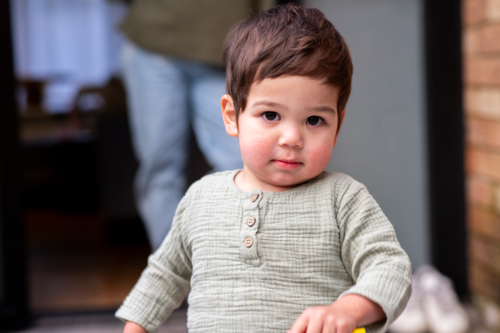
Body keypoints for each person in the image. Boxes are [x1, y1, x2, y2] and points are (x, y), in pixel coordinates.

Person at [116, 4, 412, 333]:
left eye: (315, 120)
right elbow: (165, 274)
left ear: (337, 126)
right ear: (231, 116)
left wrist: (349, 309)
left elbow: (390, 266)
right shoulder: (201, 199)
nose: (292, 138)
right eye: (270, 115)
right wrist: (135, 327)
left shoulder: (344, 199)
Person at [119, 0, 275, 250]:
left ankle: (199, 257)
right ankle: (173, 272)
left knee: (245, 164)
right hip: (152, 42)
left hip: (227, 46)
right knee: (160, 169)